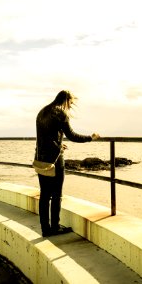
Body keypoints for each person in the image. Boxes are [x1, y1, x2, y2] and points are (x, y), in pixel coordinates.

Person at [35, 90, 100, 237]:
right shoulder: (60, 113)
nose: (71, 106)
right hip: (55, 159)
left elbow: (44, 136)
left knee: (45, 195)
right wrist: (91, 137)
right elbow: (72, 136)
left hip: (40, 158)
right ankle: (55, 227)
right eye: (71, 103)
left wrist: (57, 144)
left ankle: (45, 229)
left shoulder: (42, 112)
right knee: (56, 194)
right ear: (65, 100)